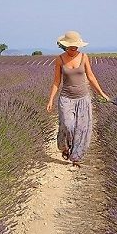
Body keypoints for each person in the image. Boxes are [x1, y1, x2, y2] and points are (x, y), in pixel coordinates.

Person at [46, 30, 110, 167]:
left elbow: (91, 76)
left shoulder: (84, 57)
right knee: (68, 125)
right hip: (66, 98)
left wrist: (101, 93)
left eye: (75, 46)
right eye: (71, 46)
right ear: (65, 46)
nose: (73, 48)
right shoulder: (60, 59)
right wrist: (51, 99)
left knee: (82, 129)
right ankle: (64, 147)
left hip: (83, 98)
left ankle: (75, 157)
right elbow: (56, 81)